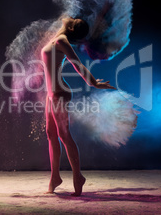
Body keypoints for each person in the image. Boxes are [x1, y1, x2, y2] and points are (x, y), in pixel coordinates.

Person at [41, 13, 116, 196]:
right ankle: (55, 177)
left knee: (64, 135)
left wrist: (93, 82)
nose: (69, 17)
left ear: (72, 28)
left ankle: (77, 176)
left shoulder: (62, 41)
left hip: (59, 94)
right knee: (51, 134)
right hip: (51, 95)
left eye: (73, 20)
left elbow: (78, 65)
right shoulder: (58, 38)